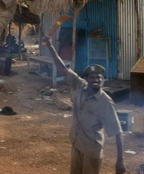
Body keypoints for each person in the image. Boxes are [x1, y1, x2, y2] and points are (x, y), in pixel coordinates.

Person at [44, 35, 125, 174]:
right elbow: (62, 68)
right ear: (86, 79)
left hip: (91, 151)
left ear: (102, 80)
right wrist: (50, 46)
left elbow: (117, 132)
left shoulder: (105, 102)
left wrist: (120, 161)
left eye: (99, 78)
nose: (96, 80)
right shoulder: (79, 85)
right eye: (93, 77)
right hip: (77, 144)